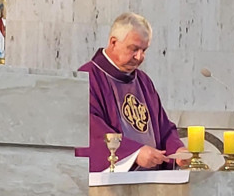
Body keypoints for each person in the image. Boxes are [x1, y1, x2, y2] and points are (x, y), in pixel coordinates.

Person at [79, 12, 187, 172]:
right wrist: (134, 153)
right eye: (134, 49)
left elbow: (163, 126)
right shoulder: (87, 78)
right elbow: (89, 129)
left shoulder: (143, 81)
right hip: (112, 186)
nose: (139, 57)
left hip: (150, 182)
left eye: (144, 50)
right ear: (113, 42)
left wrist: (177, 150)